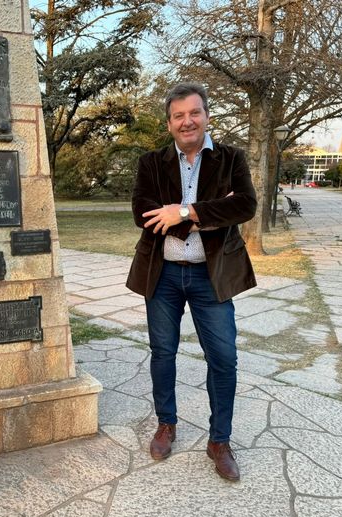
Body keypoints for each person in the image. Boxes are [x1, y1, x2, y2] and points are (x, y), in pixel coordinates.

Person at [126, 83, 257, 482]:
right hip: (162, 275)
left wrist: (183, 212)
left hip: (210, 275)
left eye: (195, 113)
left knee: (223, 358)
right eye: (179, 115)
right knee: (162, 352)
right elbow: (141, 212)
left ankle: (219, 440)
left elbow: (244, 205)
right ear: (169, 123)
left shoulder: (231, 158)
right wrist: (209, 213)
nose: (188, 121)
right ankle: (167, 423)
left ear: (207, 116)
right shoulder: (151, 162)